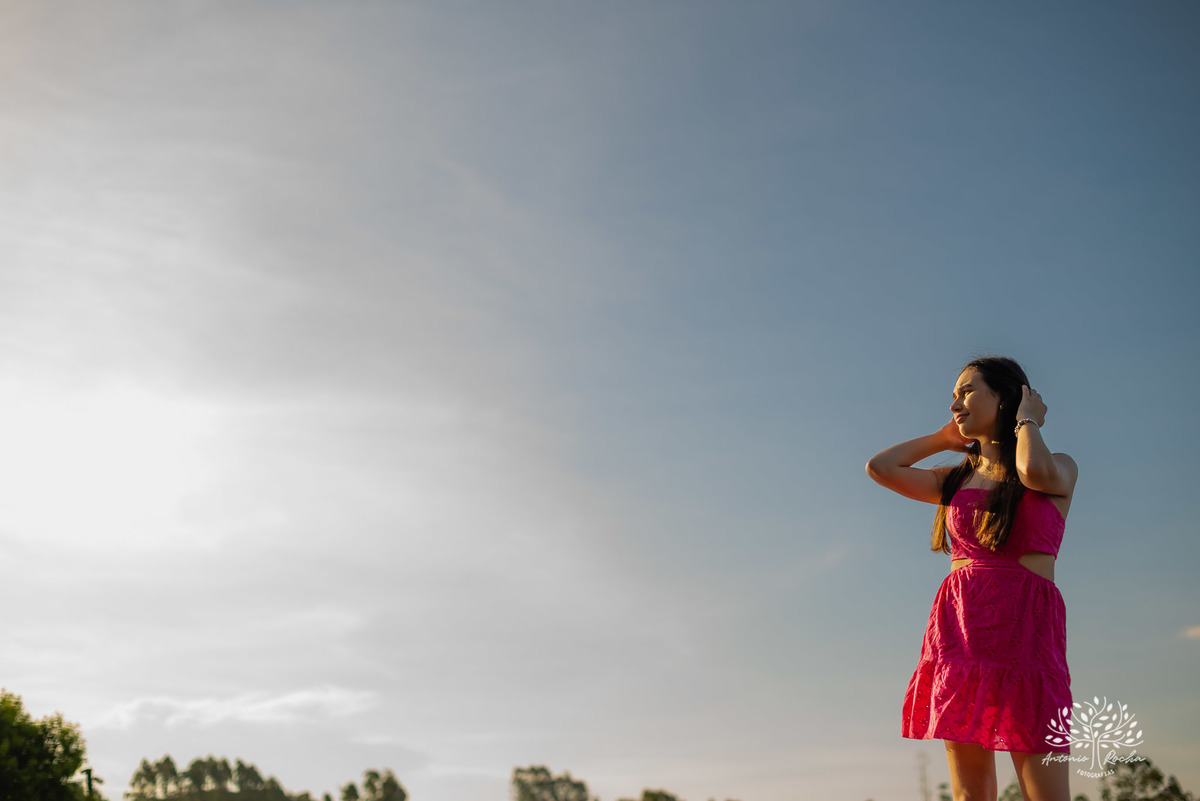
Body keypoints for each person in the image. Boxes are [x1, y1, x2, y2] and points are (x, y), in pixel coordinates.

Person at [866, 356, 1078, 801]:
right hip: (960, 635)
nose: (955, 403)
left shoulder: (1058, 466)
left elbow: (1032, 472)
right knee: (971, 793)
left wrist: (1027, 420)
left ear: (1003, 397)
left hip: (1027, 638)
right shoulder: (955, 480)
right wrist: (944, 438)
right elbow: (881, 468)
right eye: (953, 395)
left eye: (966, 391)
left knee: (1047, 794)